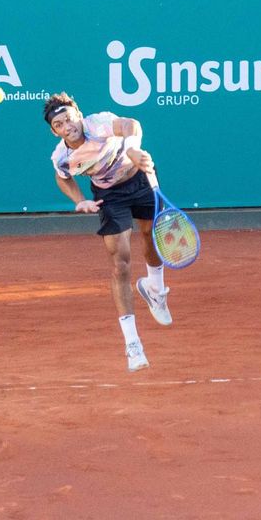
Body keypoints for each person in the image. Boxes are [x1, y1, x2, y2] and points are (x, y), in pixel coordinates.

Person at [42, 92, 169, 373]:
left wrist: (133, 149)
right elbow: (62, 177)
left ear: (78, 115)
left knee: (150, 235)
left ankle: (155, 289)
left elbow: (130, 124)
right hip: (110, 196)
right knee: (120, 262)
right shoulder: (63, 156)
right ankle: (133, 343)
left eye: (69, 119)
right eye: (59, 124)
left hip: (139, 177)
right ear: (55, 132)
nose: (67, 126)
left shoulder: (98, 123)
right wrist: (79, 200)